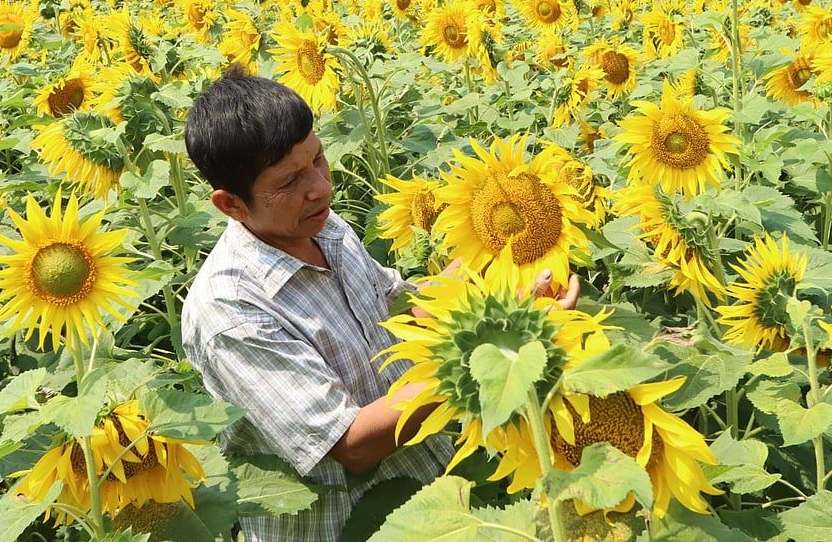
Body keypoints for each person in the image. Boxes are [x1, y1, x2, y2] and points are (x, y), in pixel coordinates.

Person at [180, 65, 578, 541]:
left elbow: (402, 313)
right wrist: (504, 350)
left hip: (435, 496)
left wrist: (491, 260)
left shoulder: (323, 225)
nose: (321, 186)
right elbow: (352, 443)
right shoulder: (230, 310)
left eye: (319, 159)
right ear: (231, 205)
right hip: (349, 526)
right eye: (289, 181)